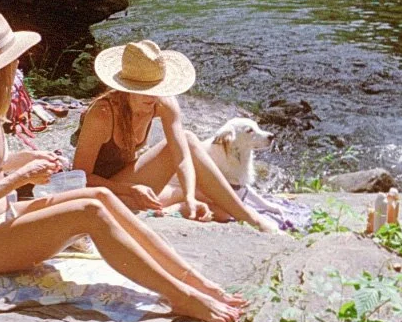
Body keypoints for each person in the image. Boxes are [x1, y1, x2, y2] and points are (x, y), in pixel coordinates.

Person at [0, 13, 247, 322]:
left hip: (4, 219)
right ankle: (179, 295)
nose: (19, 67)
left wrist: (26, 161)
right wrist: (21, 177)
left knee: (99, 196)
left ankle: (193, 281)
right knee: (89, 212)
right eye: (14, 61)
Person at [71, 39, 283, 234]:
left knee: (214, 201)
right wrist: (129, 189)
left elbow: (182, 156)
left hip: (134, 182)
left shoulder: (163, 104)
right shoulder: (103, 114)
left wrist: (190, 195)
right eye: (143, 91)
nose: (152, 97)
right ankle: (249, 217)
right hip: (102, 189)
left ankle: (194, 205)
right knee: (214, 205)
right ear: (126, 89)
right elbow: (79, 177)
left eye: (156, 89)